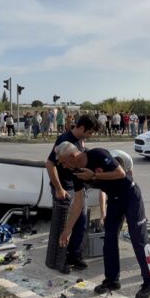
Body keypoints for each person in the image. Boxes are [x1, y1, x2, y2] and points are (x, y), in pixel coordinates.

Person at [56, 142, 150, 298]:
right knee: (109, 240)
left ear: (72, 156)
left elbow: (120, 173)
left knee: (139, 239)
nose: (63, 166)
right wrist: (67, 229)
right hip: (114, 200)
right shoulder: (75, 172)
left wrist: (93, 175)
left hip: (130, 195)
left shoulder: (97, 154)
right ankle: (112, 280)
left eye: (63, 162)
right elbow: (78, 202)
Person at [45, 114, 98, 273]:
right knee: (65, 224)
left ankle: (75, 255)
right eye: (89, 132)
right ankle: (62, 259)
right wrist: (59, 188)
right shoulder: (64, 139)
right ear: (82, 128)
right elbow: (50, 164)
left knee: (81, 222)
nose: (91, 136)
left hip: (78, 187)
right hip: (64, 188)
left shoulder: (81, 140)